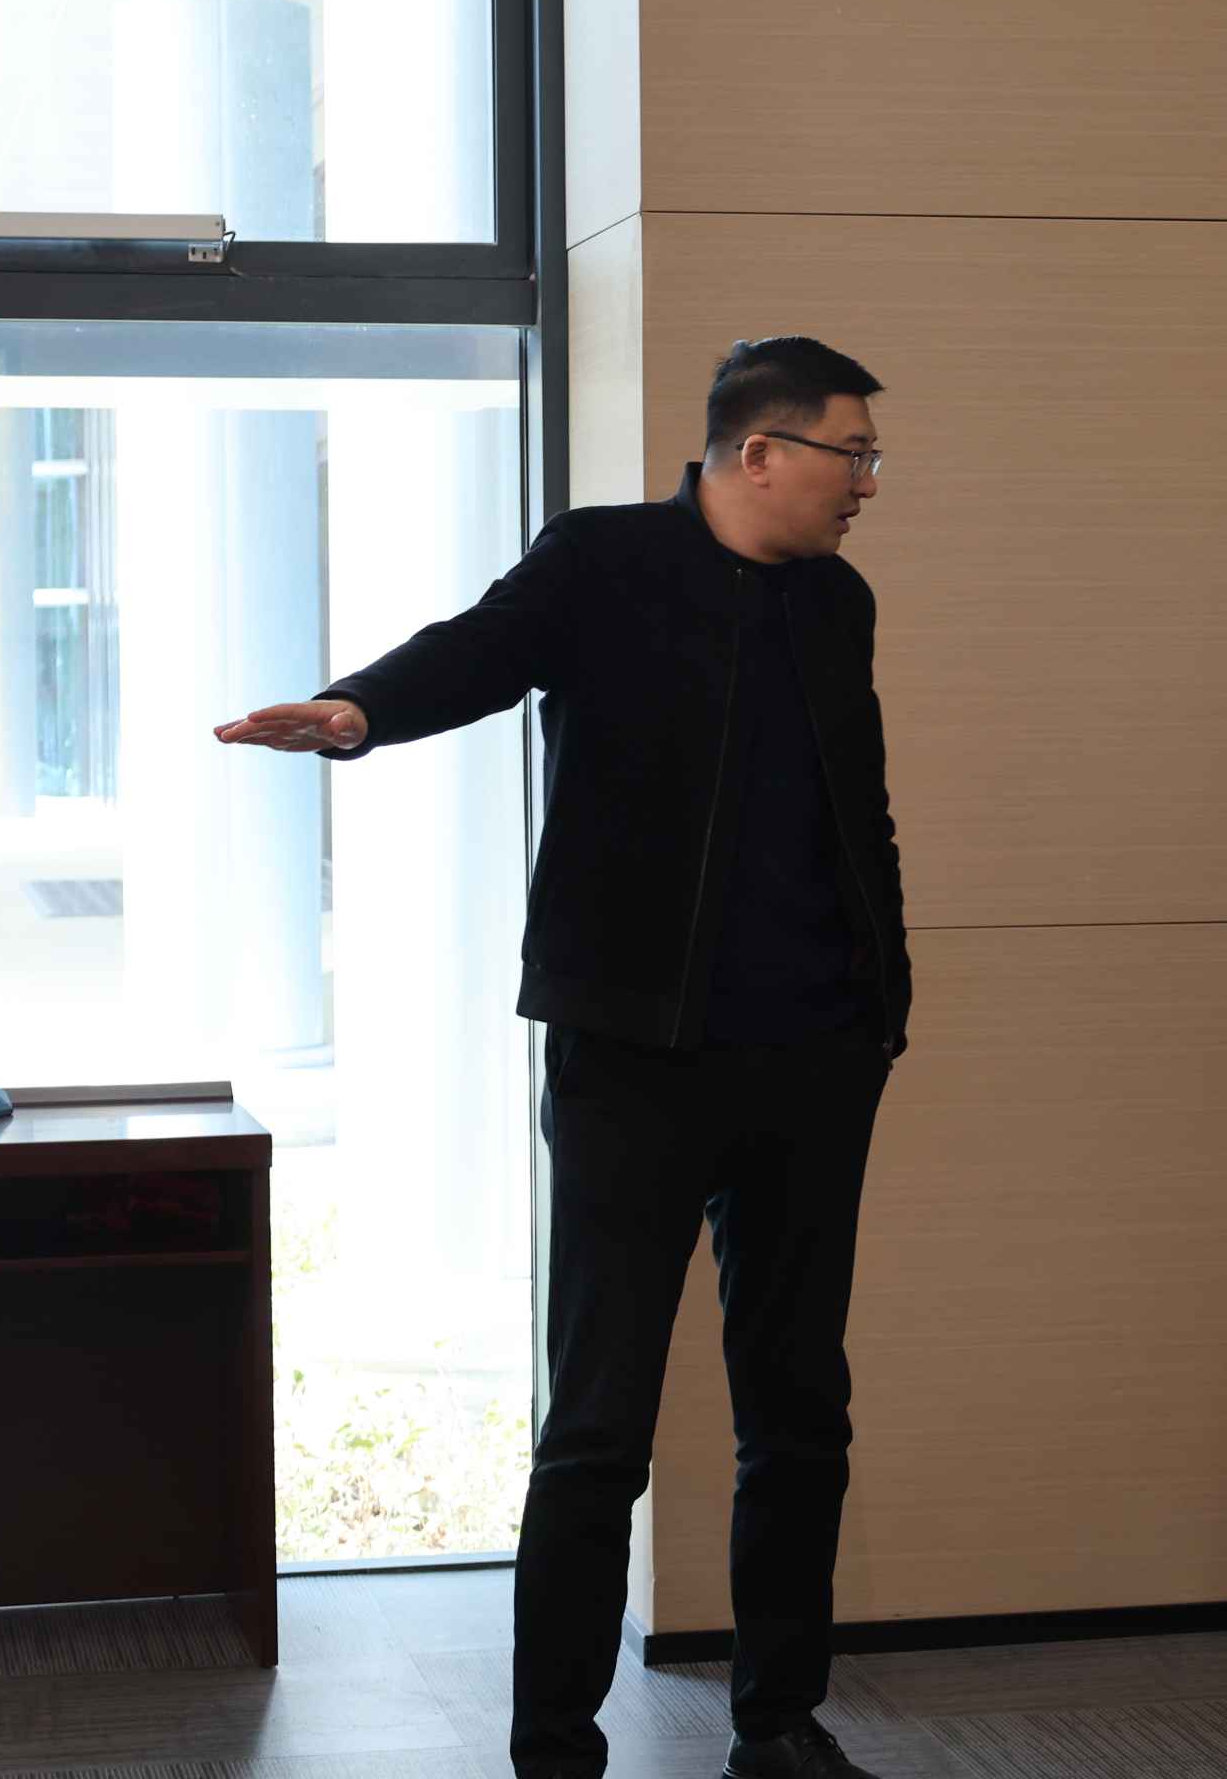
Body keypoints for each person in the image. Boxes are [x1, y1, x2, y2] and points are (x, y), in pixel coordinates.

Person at [217, 336, 910, 1779]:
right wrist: (357, 712)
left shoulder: (837, 603)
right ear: (760, 453)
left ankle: (780, 1719)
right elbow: (477, 651)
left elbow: (863, 809)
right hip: (632, 1063)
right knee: (598, 1424)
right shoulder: (604, 562)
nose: (866, 483)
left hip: (810, 1062)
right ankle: (553, 1745)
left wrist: (881, 1004)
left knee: (801, 1412)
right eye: (852, 454)